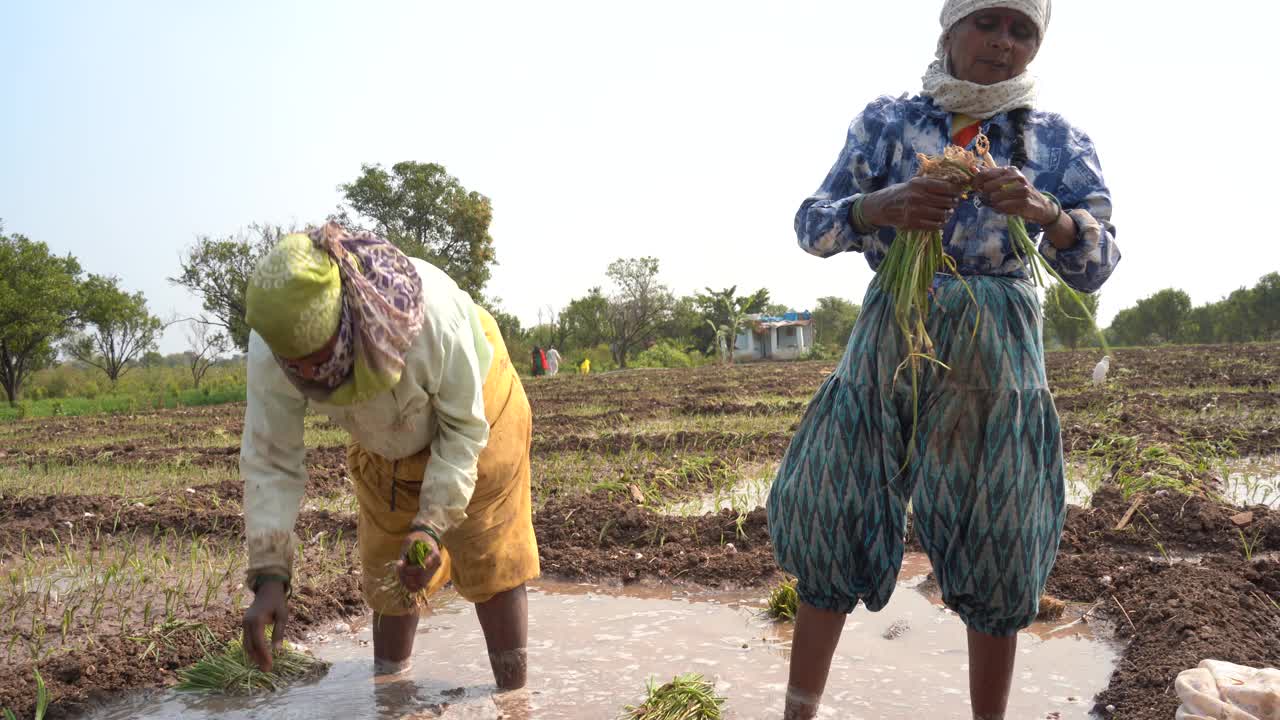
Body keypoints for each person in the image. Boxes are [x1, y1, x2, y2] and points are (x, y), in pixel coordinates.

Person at [766, 2, 1120, 718]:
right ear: (951, 29)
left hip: (997, 351)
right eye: (988, 22)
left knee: (1002, 527)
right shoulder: (890, 122)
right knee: (835, 502)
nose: (1003, 42)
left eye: (1022, 30)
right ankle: (797, 712)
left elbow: (1097, 262)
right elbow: (813, 224)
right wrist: (879, 207)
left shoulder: (1054, 141)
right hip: (893, 331)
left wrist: (1045, 213)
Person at [238, 222, 539, 691]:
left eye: (316, 361)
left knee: (489, 555)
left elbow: (464, 430)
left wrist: (433, 523)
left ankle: (514, 697)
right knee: (387, 574)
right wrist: (270, 573)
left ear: (347, 323)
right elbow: (271, 459)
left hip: (478, 412)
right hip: (382, 443)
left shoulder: (431, 316)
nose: (302, 373)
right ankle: (392, 692)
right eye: (291, 364)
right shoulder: (276, 344)